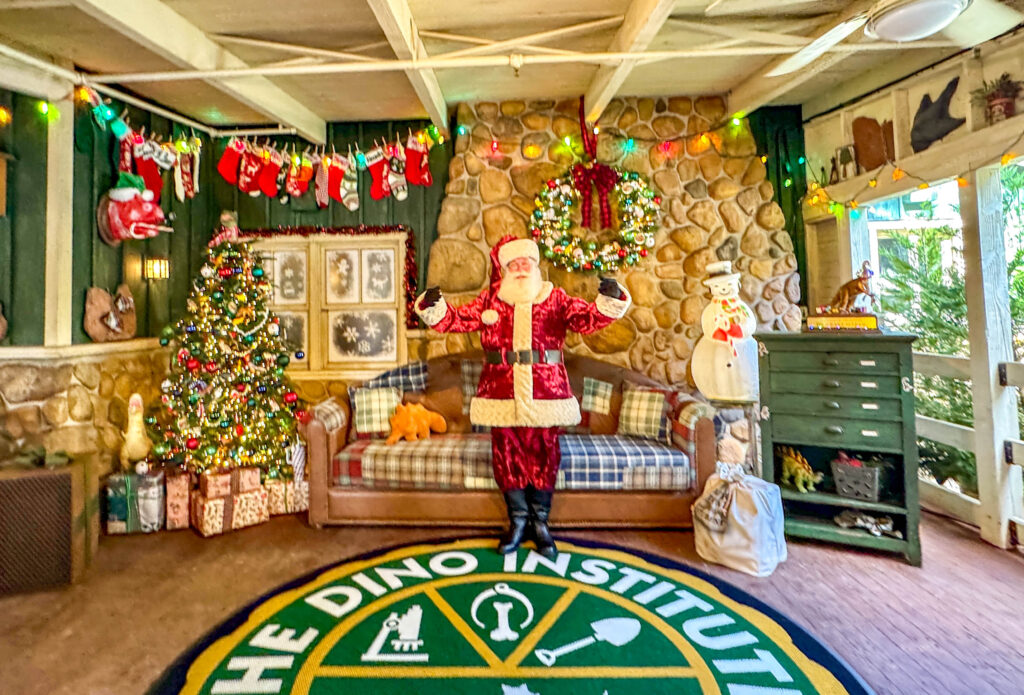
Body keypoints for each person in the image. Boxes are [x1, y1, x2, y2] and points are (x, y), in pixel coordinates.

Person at [416, 235, 631, 558]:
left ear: (535, 265)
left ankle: (540, 523)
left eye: (525, 262)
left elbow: (586, 320)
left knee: (545, 455)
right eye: (513, 263)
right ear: (505, 269)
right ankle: (517, 521)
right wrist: (434, 306)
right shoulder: (491, 300)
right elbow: (456, 321)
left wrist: (609, 299)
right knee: (506, 455)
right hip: (500, 393)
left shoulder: (555, 298)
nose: (520, 268)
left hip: (547, 393)